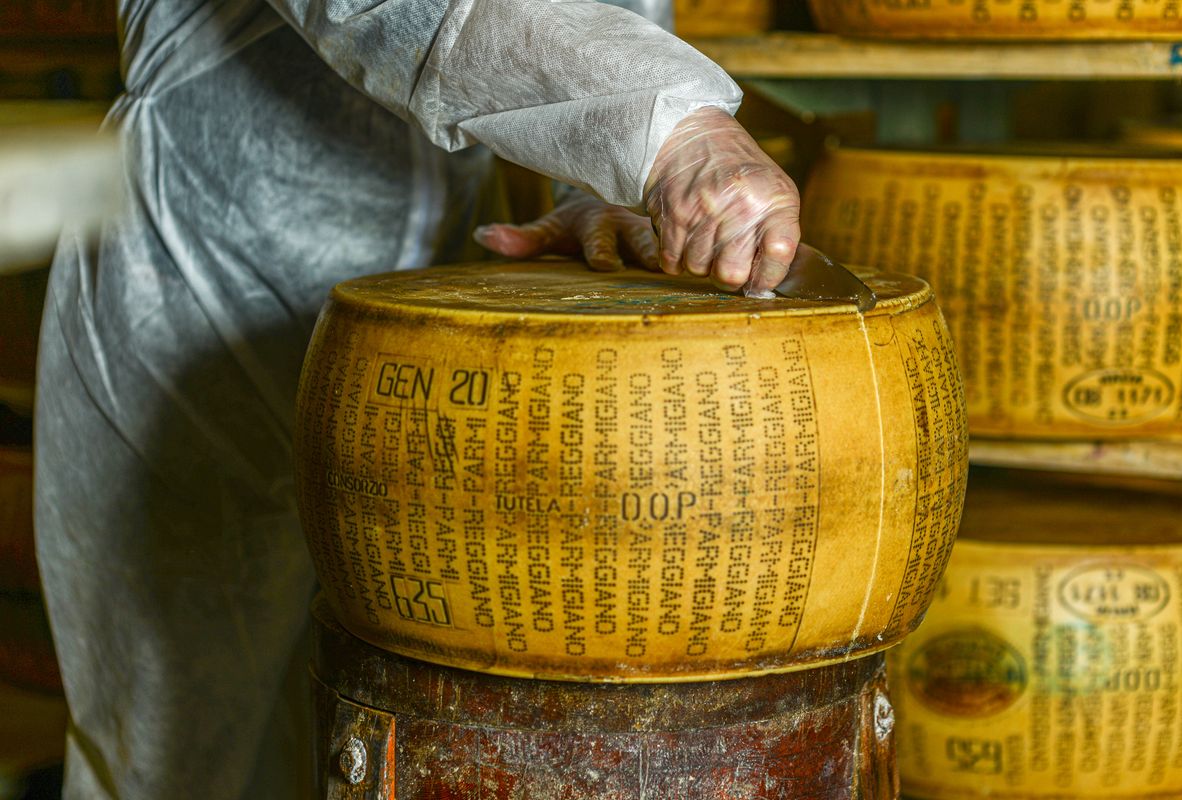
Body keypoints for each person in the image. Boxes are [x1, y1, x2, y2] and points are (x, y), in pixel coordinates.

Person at [34, 0, 802, 796]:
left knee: (386, 729)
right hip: (199, 277)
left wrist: (592, 179)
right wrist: (668, 132)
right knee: (182, 744)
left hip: (426, 329)